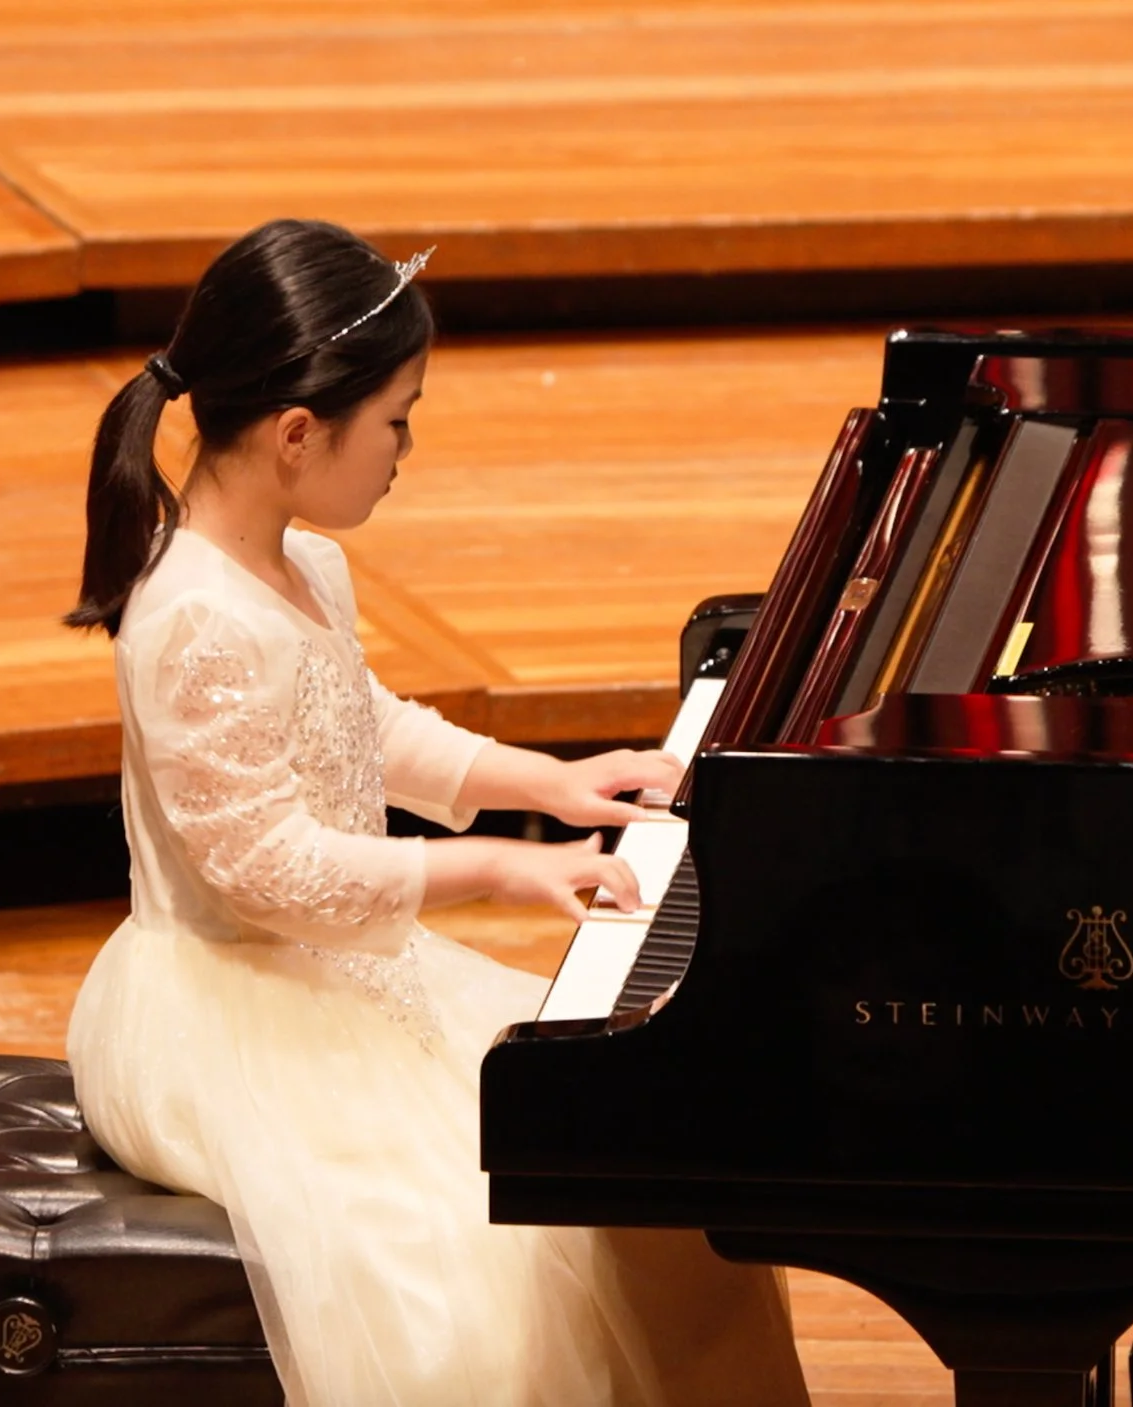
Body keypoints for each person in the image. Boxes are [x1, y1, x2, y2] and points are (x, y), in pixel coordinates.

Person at [63, 218, 809, 1406]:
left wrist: (546, 783)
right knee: (472, 1277)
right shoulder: (194, 617)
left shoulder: (300, 564)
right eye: (399, 416)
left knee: (642, 1169)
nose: (410, 445)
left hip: (338, 981)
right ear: (299, 435)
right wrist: (497, 870)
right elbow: (268, 870)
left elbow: (363, 729)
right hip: (225, 1019)